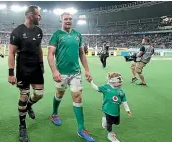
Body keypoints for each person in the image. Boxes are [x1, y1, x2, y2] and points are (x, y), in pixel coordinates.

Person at [47, 12, 95, 142]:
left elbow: (82, 54)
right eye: (65, 19)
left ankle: (81, 129)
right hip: (61, 73)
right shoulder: (57, 35)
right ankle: (54, 114)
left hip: (75, 72)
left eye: (70, 19)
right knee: (59, 94)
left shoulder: (77, 35)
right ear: (61, 21)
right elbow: (50, 54)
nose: (68, 21)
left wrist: (87, 70)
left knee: (78, 97)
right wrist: (54, 71)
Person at [8, 5, 44, 142]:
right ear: (31, 15)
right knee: (24, 95)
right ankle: (22, 126)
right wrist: (11, 73)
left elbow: (39, 49)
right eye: (38, 15)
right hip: (23, 69)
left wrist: (41, 65)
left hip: (36, 68)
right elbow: (11, 53)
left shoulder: (39, 31)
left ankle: (29, 105)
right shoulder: (17, 31)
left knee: (39, 94)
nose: (40, 17)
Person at [90, 72, 132, 142]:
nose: (120, 83)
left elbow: (124, 101)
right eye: (119, 82)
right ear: (112, 82)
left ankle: (105, 120)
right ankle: (110, 134)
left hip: (116, 111)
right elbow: (96, 88)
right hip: (107, 109)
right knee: (109, 124)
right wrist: (91, 81)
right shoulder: (106, 88)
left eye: (121, 82)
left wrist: (127, 110)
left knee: (116, 122)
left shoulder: (121, 91)